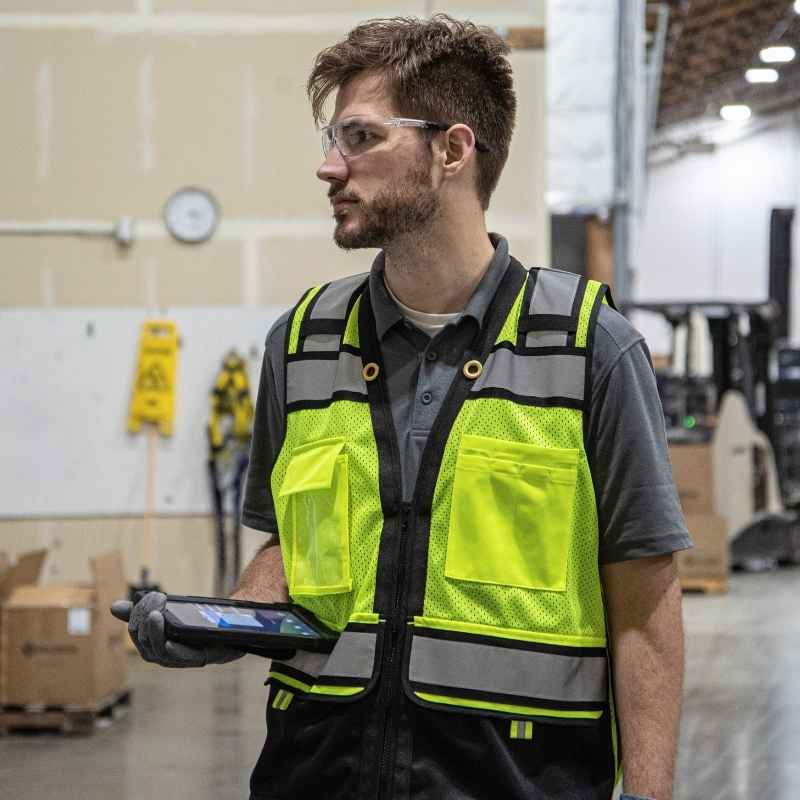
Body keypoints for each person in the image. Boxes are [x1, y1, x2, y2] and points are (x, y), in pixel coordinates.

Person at [113, 14, 692, 800]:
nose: (328, 167)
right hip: (315, 772)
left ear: (452, 150)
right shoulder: (303, 343)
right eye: (331, 138)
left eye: (359, 137)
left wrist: (649, 795)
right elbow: (286, 549)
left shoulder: (589, 349)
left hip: (512, 778)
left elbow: (645, 609)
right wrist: (215, 623)